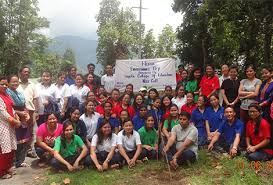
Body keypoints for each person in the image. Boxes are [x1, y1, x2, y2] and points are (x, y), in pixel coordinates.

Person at [6, 75, 31, 168]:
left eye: (17, 81)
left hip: (23, 118)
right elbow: (8, 108)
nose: (15, 83)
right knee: (14, 140)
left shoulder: (20, 93)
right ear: (8, 83)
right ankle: (12, 163)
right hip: (13, 118)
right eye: (13, 82)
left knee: (23, 140)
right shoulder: (7, 94)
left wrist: (26, 113)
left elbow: (24, 105)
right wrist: (19, 113)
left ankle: (20, 161)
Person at [0, 77, 21, 179]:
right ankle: (1, 171)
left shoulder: (6, 95)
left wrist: (16, 117)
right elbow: (3, 113)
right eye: (2, 84)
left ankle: (8, 167)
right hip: (3, 126)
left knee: (11, 147)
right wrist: (16, 122)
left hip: (10, 125)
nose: (4, 86)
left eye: (5, 84)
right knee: (4, 148)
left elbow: (12, 109)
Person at [18, 66, 39, 158]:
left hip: (30, 111)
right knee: (19, 131)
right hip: (19, 111)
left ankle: (30, 150)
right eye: (25, 71)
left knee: (31, 131)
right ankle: (19, 152)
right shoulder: (15, 83)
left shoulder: (32, 85)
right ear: (20, 73)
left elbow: (35, 99)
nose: (26, 73)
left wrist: (36, 112)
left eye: (28, 72)